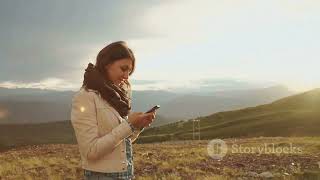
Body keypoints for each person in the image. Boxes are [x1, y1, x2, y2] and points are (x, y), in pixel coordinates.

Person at [71, 41, 156, 180]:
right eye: (123, 69)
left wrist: (137, 126)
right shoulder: (85, 97)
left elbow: (121, 142)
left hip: (125, 175)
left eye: (130, 71)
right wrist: (128, 125)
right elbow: (90, 151)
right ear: (107, 64)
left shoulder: (116, 97)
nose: (127, 76)